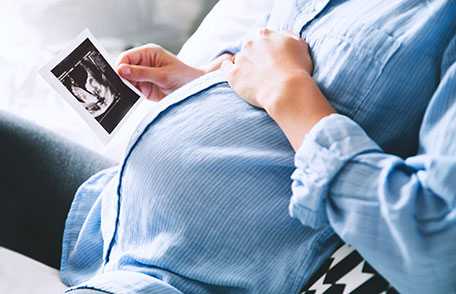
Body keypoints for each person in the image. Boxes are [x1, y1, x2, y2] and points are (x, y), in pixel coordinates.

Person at [1, 1, 455, 293]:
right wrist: (209, 84)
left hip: (189, 274)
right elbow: (297, 83)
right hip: (110, 216)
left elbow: (436, 249)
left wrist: (287, 88)